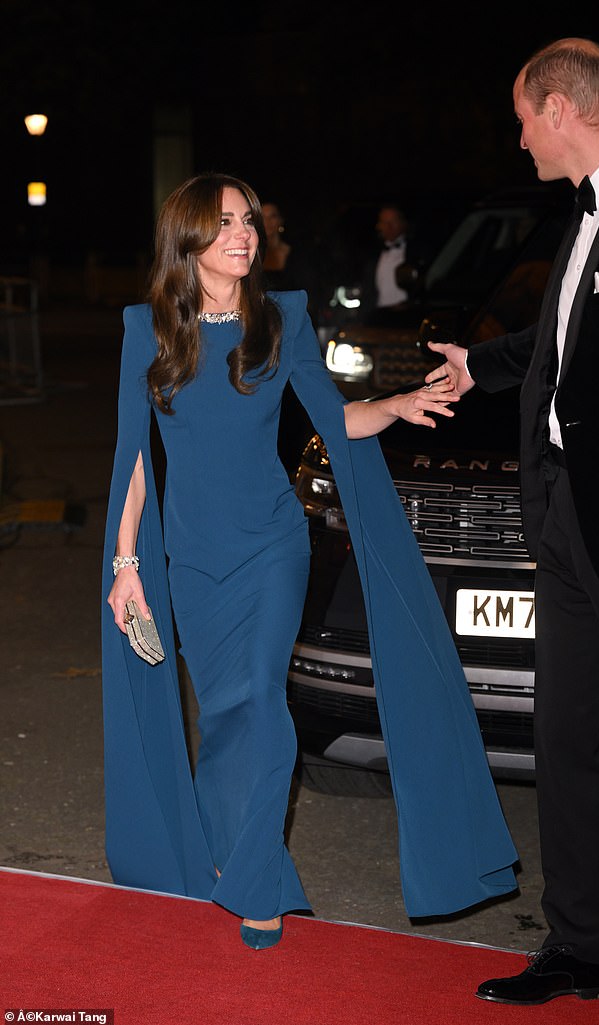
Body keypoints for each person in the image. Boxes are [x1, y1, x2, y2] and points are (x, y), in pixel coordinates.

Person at [102, 172, 518, 953]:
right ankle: (230, 845)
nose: (244, 234)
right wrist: (126, 563)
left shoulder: (283, 318)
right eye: (226, 222)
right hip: (188, 560)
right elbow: (133, 461)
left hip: (269, 547)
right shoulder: (145, 328)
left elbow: (334, 415)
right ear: (188, 235)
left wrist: (391, 406)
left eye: (250, 220)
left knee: (260, 700)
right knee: (225, 714)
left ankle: (258, 878)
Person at [425, 38, 599, 1004]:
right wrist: (484, 364)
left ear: (560, 108)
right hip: (559, 510)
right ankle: (579, 950)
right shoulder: (582, 218)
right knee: (569, 737)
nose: (518, 141)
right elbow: (568, 344)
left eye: (522, 118)